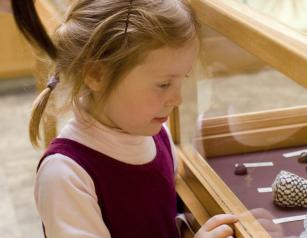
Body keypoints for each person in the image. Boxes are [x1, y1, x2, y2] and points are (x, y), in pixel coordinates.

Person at [10, 0, 239, 237]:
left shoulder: (159, 136)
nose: (177, 99)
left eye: (184, 78)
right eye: (163, 84)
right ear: (97, 75)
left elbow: (161, 222)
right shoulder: (65, 175)